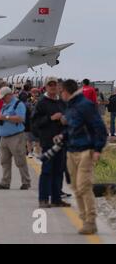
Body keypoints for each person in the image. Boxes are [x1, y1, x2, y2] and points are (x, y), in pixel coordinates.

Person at [60, 79, 107, 235]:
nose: (61, 94)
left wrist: (97, 148)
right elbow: (72, 127)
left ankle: (90, 221)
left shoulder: (85, 105)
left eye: (62, 91)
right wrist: (63, 136)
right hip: (71, 150)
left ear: (67, 91)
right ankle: (84, 218)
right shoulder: (71, 106)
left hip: (85, 151)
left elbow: (99, 127)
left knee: (83, 186)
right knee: (75, 188)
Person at [31, 77, 70, 208]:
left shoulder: (62, 103)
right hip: (48, 142)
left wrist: (65, 121)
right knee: (47, 170)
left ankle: (56, 199)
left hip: (61, 142)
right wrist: (50, 118)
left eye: (55, 85)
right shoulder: (42, 103)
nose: (53, 87)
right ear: (46, 87)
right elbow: (35, 124)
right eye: (50, 85)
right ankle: (43, 199)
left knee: (59, 171)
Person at [0, 86, 31, 190]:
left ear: (9, 95)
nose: (2, 100)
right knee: (4, 161)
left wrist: (5, 117)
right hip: (4, 137)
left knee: (20, 160)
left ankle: (26, 182)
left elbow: (20, 118)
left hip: (16, 137)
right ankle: (5, 182)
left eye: (3, 97)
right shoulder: (6, 105)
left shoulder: (18, 104)